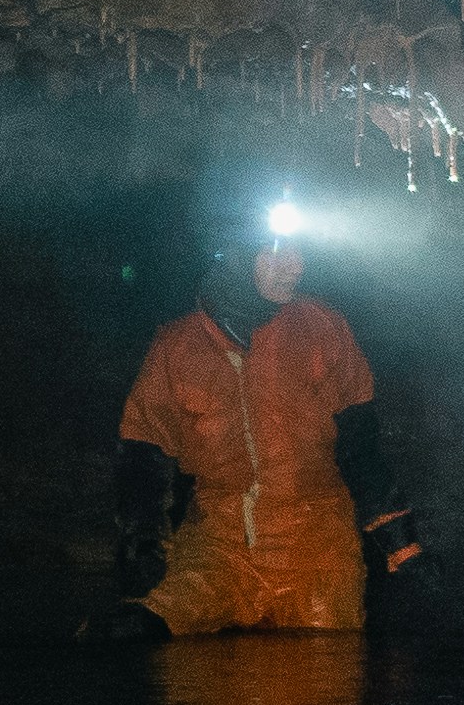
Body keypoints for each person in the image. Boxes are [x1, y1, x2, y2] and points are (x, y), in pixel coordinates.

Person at [112, 206, 413, 636]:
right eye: (276, 254)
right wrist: (142, 546)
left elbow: (361, 447)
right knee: (144, 627)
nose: (296, 266)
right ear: (237, 259)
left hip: (316, 550)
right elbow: (143, 455)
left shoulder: (321, 328)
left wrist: (401, 544)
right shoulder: (177, 348)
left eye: (298, 252)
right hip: (220, 548)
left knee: (320, 670)